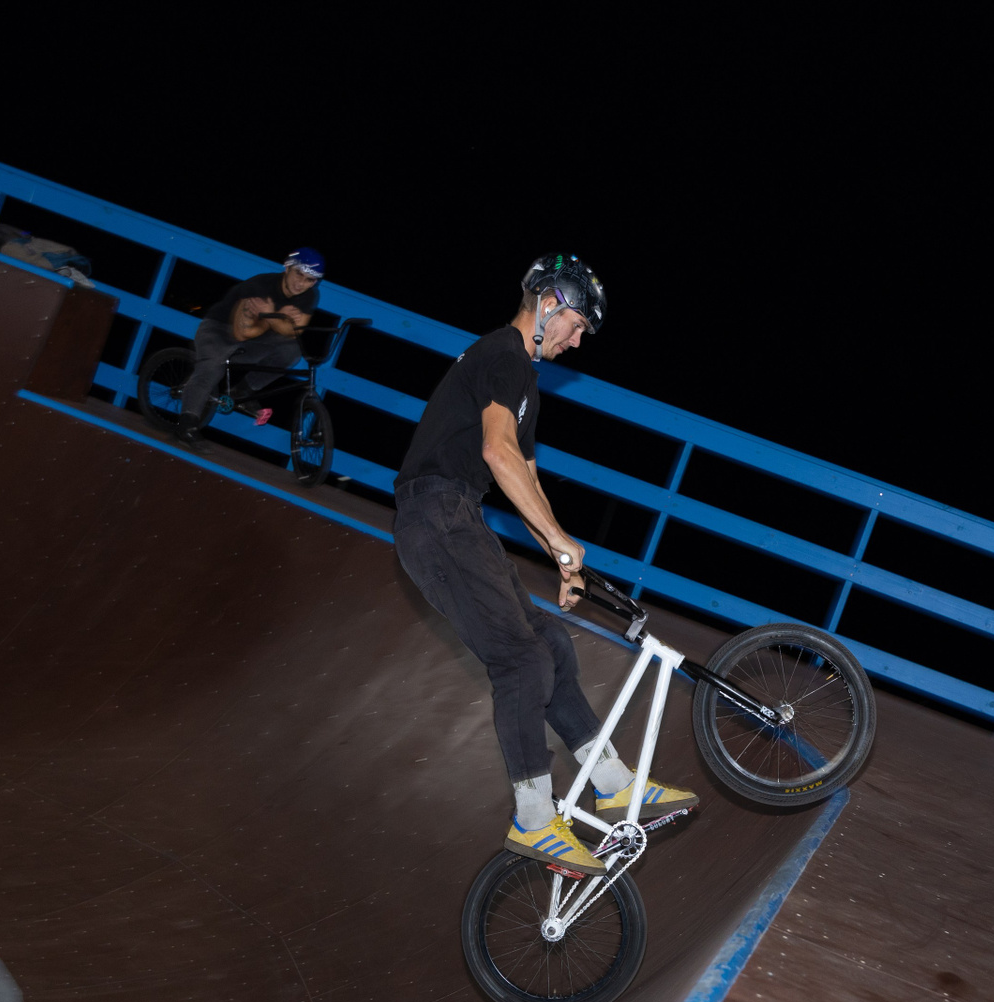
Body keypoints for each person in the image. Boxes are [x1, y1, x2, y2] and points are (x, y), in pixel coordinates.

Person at [392, 253, 696, 874]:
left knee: (550, 644)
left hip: (458, 519)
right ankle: (533, 818)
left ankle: (613, 784)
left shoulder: (521, 378)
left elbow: (525, 475)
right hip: (436, 517)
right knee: (521, 660)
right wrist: (557, 540)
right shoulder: (503, 355)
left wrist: (562, 558)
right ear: (550, 303)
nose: (578, 341)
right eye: (578, 325)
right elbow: (497, 453)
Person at [172, 248, 326, 449]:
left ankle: (243, 392)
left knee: (291, 351)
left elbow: (292, 332)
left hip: (258, 334)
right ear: (287, 268)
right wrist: (279, 317)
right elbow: (241, 333)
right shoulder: (260, 287)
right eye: (298, 273)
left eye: (309, 280)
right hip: (219, 328)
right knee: (213, 365)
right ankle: (187, 423)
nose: (301, 283)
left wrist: (269, 313)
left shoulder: (310, 295)